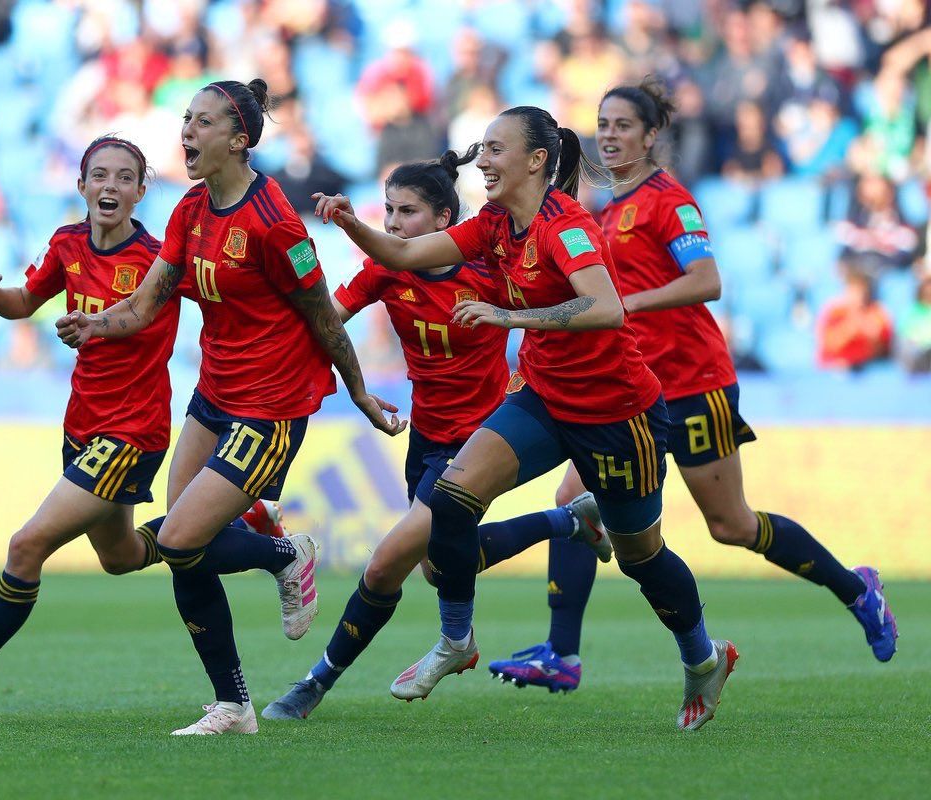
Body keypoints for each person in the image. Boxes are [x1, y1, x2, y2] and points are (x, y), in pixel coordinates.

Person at [311, 104, 735, 730]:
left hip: (617, 412)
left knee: (641, 557)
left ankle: (703, 658)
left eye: (495, 149)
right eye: (482, 149)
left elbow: (606, 307)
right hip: (542, 398)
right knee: (450, 498)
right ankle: (456, 639)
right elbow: (400, 254)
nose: (482, 160)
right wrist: (351, 223)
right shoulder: (493, 224)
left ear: (536, 160)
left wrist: (509, 317)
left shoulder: (565, 226)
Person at [488, 79, 897, 697]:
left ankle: (856, 587)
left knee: (730, 525)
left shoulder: (669, 200)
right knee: (576, 502)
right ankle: (561, 653)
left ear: (652, 135)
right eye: (603, 124)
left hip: (691, 381)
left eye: (624, 125)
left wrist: (628, 303)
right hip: (626, 395)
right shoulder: (599, 211)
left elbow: (707, 280)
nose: (610, 135)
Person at [0, 135, 282, 717]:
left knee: (27, 545)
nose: (110, 186)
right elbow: (26, 302)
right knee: (121, 557)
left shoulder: (161, 260)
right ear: (81, 185)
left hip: (131, 433)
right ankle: (247, 528)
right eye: (100, 175)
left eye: (124, 177)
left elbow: (230, 299)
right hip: (82, 427)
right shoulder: (67, 243)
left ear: (141, 191)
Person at [55, 79, 405, 736]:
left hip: (272, 404)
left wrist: (358, 391)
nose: (187, 131)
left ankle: (285, 553)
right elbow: (147, 302)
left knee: (179, 538)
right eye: (186, 119)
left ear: (239, 140)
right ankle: (234, 706)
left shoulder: (275, 224)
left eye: (203, 122)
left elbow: (323, 317)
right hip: (214, 395)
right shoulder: (190, 208)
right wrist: (95, 324)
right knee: (182, 549)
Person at [261, 152, 613, 721]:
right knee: (440, 565)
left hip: (479, 440)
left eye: (408, 212)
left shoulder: (488, 270)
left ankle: (313, 684)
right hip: (424, 437)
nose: (394, 224)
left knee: (384, 564)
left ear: (445, 218)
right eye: (389, 211)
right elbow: (326, 321)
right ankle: (569, 522)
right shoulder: (385, 270)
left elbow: (559, 312)